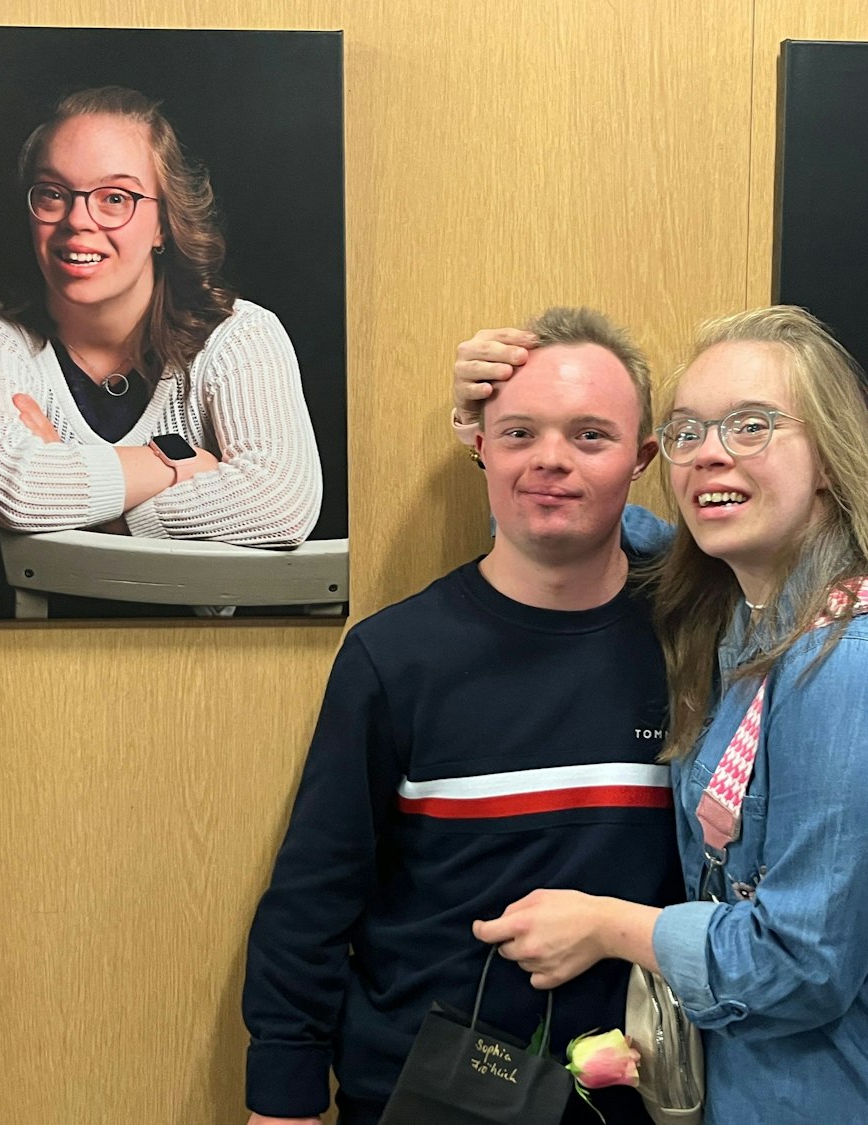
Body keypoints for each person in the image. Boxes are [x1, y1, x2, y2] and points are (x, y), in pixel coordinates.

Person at [472, 306, 868, 1124]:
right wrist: (496, 431)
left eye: (751, 425)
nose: (709, 452)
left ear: (832, 461)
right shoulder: (741, 614)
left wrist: (606, 925)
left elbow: (800, 964)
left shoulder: (860, 666)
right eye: (686, 431)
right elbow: (569, 519)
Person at [242, 308, 676, 1125]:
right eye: (519, 433)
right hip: (422, 1094)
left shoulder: (698, 644)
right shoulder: (394, 656)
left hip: (636, 1098)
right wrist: (283, 1102)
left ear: (643, 458)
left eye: (590, 436)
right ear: (477, 446)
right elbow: (312, 900)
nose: (550, 459)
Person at [0, 86, 320, 548]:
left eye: (116, 198)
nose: (77, 220)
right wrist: (177, 464)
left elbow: (280, 507)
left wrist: (108, 518)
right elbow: (18, 492)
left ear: (165, 223)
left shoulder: (241, 335)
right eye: (53, 193)